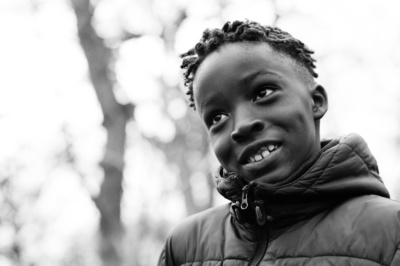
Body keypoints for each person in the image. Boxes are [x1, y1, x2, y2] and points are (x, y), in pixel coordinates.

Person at [158, 20, 400, 266]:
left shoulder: (391, 234)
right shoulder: (185, 247)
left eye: (263, 93)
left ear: (315, 102)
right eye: (217, 117)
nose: (241, 126)